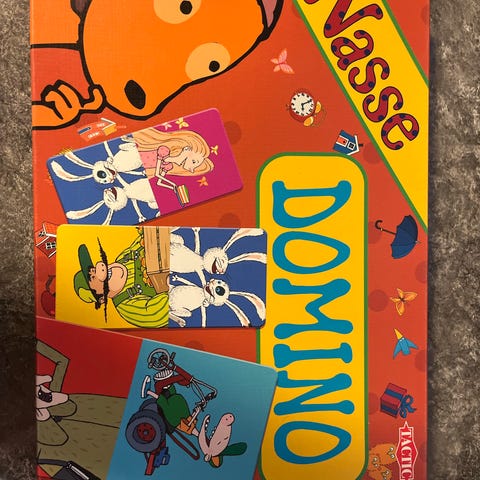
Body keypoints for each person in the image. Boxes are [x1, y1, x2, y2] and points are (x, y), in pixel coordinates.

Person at [36, 340, 126, 479]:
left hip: (130, 418)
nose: (45, 393)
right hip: (116, 462)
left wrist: (34, 343)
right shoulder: (43, 446)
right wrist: (44, 418)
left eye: (41, 389)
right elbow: (56, 439)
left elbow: (62, 362)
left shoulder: (57, 396)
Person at [73, 227, 169, 328]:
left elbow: (146, 237)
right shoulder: (127, 306)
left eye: (93, 269)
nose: (98, 270)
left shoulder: (123, 258)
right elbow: (158, 314)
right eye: (93, 277)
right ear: (102, 299)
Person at [132, 128, 214, 192]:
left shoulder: (169, 166)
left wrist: (172, 187)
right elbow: (157, 174)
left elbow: (158, 182)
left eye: (195, 167)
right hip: (133, 158)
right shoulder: (164, 151)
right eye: (193, 162)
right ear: (187, 149)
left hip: (136, 167)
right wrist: (173, 183)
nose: (192, 169)